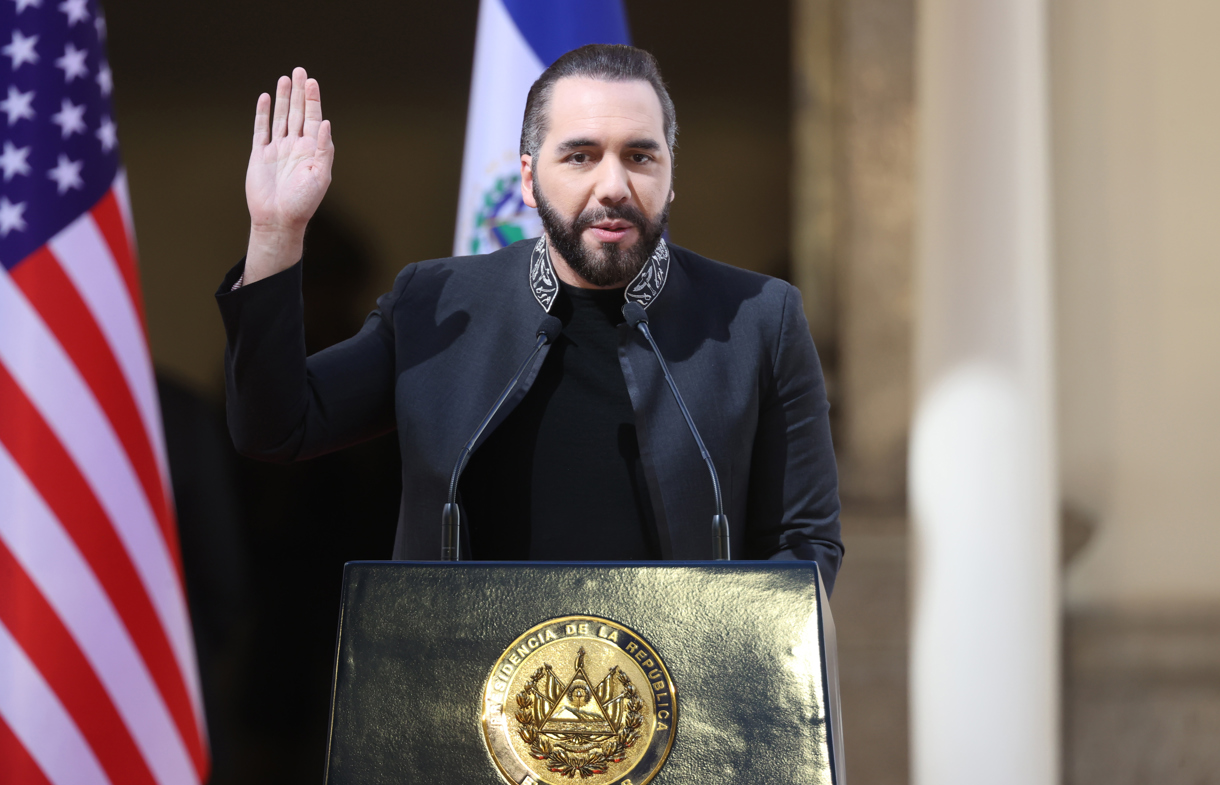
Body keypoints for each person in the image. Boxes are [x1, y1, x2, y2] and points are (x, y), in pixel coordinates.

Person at [216, 45, 844, 590]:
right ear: (527, 179)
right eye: (580, 156)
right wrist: (276, 232)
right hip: (470, 708)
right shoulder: (436, 303)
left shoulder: (760, 318)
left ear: (670, 176)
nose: (613, 185)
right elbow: (275, 429)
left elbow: (806, 541)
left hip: (682, 709)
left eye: (640, 156)